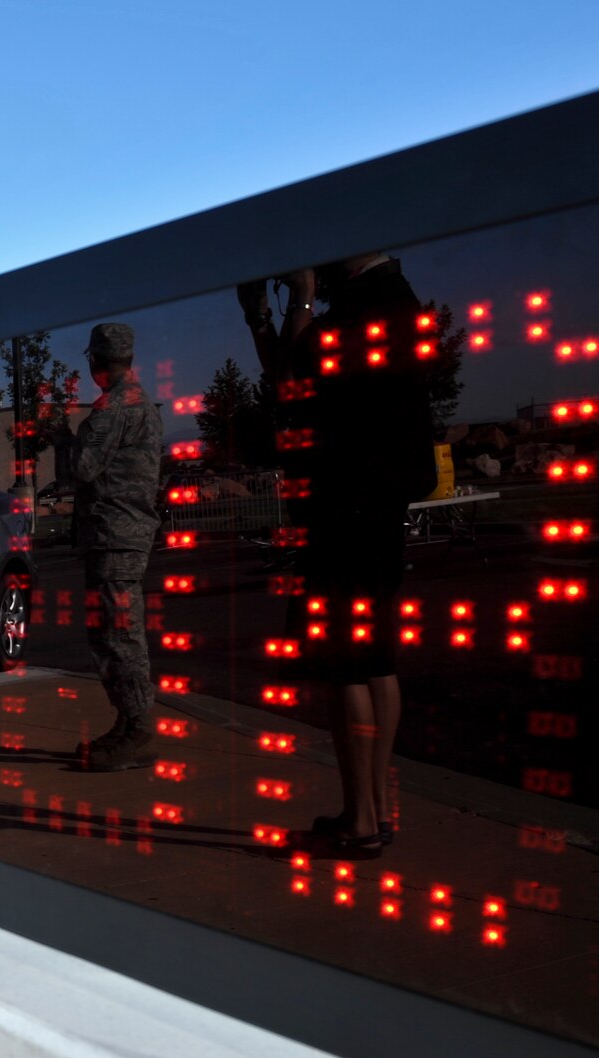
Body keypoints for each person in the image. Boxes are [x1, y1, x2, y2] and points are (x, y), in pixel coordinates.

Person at [238, 255, 435, 858]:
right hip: (369, 509)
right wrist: (260, 318)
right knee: (373, 658)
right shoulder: (389, 299)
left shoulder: (368, 307)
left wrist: (298, 297)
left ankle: (361, 822)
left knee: (344, 662)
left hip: (346, 508)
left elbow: (296, 381)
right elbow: (293, 379)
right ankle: (372, 809)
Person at [70, 323, 165, 772]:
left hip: (114, 535)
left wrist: (66, 440)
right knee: (115, 631)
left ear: (97, 360)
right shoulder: (141, 400)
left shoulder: (114, 406)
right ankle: (129, 723)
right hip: (123, 533)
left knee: (118, 634)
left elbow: (86, 465)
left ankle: (139, 728)